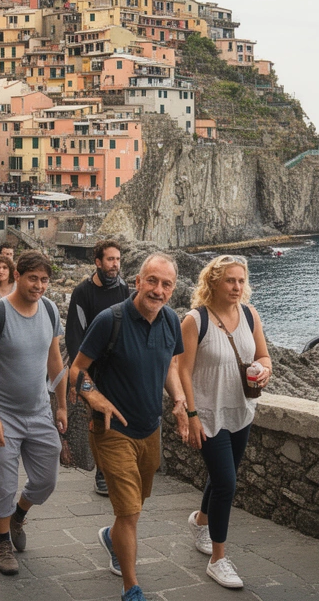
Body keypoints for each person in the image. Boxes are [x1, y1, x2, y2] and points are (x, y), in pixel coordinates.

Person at [69, 253, 189, 601]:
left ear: (173, 289)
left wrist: (180, 402)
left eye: (166, 284)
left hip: (150, 430)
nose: (158, 290)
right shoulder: (111, 320)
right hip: (112, 431)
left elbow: (171, 365)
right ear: (137, 281)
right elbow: (77, 369)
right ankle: (131, 588)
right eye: (152, 281)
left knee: (135, 506)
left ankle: (111, 537)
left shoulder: (170, 320)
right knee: (131, 512)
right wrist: (96, 399)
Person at [176, 255, 273, 589]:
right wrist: (190, 415)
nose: (237, 287)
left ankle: (201, 520)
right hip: (208, 414)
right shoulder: (194, 320)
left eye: (241, 281)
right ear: (213, 282)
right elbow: (182, 370)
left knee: (222, 479)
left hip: (241, 411)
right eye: (230, 280)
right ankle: (218, 559)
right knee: (227, 484)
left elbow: (263, 355)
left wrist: (265, 371)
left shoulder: (249, 314)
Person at [0, 251, 68, 575]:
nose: (38, 285)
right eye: (32, 278)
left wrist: (63, 404)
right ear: (17, 275)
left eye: (44, 280)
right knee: (3, 484)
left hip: (39, 410)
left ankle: (19, 514)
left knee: (46, 479)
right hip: (3, 414)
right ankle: (2, 542)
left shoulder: (51, 310)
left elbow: (55, 361)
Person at [65, 239, 129, 495]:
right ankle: (102, 472)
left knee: (120, 419)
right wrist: (80, 377)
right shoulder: (83, 292)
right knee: (101, 420)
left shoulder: (124, 289)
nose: (115, 265)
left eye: (118, 260)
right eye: (110, 260)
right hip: (94, 368)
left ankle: (117, 468)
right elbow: (74, 335)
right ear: (98, 262)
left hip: (119, 368)